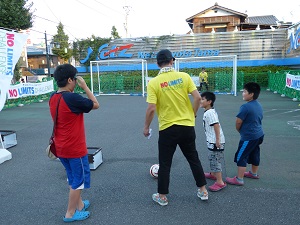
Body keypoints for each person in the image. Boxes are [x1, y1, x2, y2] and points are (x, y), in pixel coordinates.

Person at [143, 49, 208, 206]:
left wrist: (146, 127)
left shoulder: (153, 83)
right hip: (187, 126)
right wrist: (192, 115)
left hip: (168, 128)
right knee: (193, 158)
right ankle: (203, 191)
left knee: (165, 163)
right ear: (172, 61)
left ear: (157, 64)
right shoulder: (184, 77)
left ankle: (162, 196)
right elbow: (198, 97)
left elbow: (151, 108)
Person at [49, 64, 99, 222]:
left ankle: (79, 205)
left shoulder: (53, 97)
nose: (76, 82)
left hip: (61, 147)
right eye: (75, 80)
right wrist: (85, 86)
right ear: (70, 80)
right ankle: (70, 213)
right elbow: (96, 104)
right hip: (74, 148)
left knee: (72, 178)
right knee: (78, 180)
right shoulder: (72, 98)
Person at [226, 82, 264, 186]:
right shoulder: (258, 105)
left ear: (251, 94)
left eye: (245, 91)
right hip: (259, 135)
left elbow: (238, 122)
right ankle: (253, 173)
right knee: (255, 152)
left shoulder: (245, 107)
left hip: (249, 137)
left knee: (241, 156)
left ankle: (239, 179)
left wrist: (240, 131)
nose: (243, 93)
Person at [200, 91, 226, 191]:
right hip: (213, 141)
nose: (201, 101)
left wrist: (217, 140)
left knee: (215, 161)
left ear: (209, 101)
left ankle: (220, 182)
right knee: (212, 158)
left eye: (203, 99)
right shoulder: (209, 111)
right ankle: (213, 174)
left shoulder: (210, 113)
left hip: (215, 141)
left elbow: (216, 125)